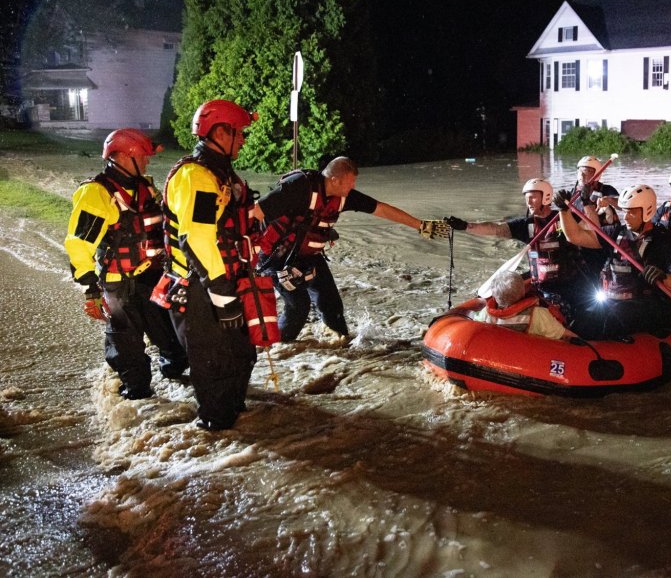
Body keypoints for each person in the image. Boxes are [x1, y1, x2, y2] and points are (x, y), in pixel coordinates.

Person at [252, 156, 451, 344]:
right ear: (334, 180)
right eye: (350, 182)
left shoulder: (343, 197)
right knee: (298, 307)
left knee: (332, 305)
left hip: (309, 257)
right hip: (276, 258)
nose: (353, 187)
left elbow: (380, 208)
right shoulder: (298, 187)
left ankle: (341, 343)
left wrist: (420, 225)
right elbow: (256, 211)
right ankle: (278, 347)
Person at [64, 128, 187, 400]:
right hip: (118, 284)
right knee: (127, 349)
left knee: (172, 340)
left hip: (153, 277)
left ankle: (176, 376)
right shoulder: (96, 193)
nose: (147, 161)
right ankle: (138, 398)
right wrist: (91, 289)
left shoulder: (145, 186)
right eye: (143, 156)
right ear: (122, 156)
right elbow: (78, 244)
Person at [162, 99, 260, 431]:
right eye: (240, 132)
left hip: (224, 282)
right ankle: (216, 431)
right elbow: (197, 239)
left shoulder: (220, 173)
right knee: (214, 364)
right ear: (220, 132)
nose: (244, 139)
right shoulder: (195, 177)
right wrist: (222, 295)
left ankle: (233, 419)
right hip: (201, 289)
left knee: (242, 354)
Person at [554, 183, 671, 339]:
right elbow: (575, 236)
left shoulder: (662, 240)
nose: (625, 217)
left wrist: (664, 277)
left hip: (643, 304)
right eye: (625, 212)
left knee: (611, 319)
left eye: (632, 213)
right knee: (581, 320)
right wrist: (563, 210)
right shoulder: (615, 232)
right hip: (611, 300)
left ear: (647, 212)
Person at [444, 178, 591, 319]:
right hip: (543, 286)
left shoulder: (564, 217)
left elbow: (588, 229)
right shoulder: (525, 224)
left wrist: (581, 203)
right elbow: (496, 229)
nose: (528, 202)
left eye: (533, 197)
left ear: (546, 198)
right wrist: (466, 226)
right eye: (526, 198)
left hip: (572, 284)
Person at [471, 270, 573, 341]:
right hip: (535, 351)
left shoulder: (486, 313)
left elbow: (475, 324)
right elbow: (562, 334)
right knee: (562, 304)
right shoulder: (537, 314)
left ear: (494, 295)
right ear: (523, 291)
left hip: (506, 348)